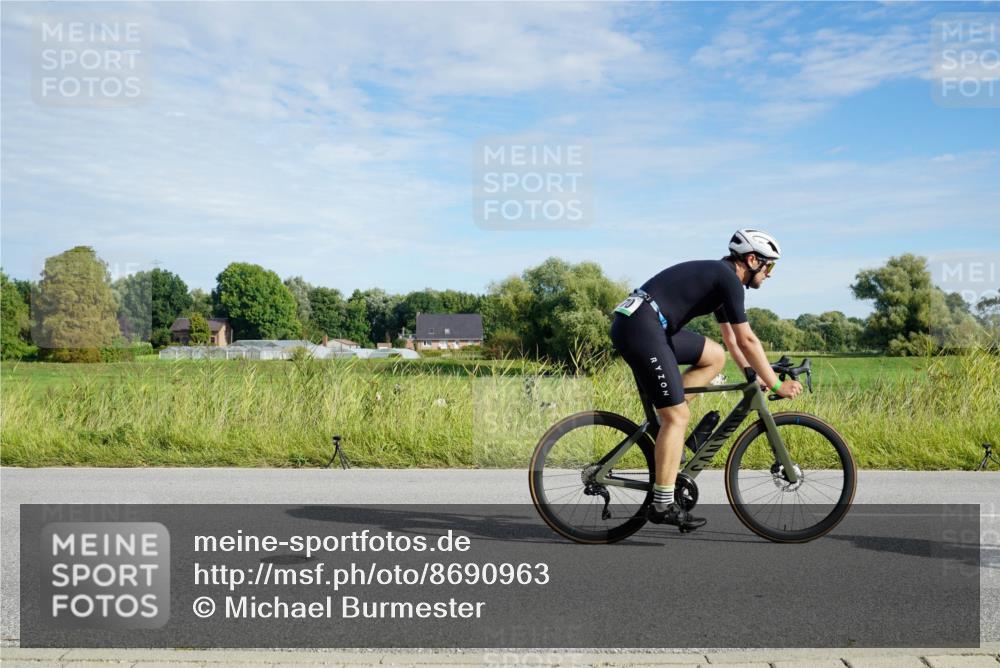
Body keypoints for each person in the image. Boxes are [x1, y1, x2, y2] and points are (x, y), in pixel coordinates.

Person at [609, 229, 803, 532]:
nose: (770, 274)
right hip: (641, 328)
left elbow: (732, 341)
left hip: (645, 324)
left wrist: (754, 374)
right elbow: (748, 339)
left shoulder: (722, 280)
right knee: (678, 417)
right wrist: (777, 384)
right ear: (752, 260)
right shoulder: (727, 279)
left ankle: (666, 422)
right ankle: (662, 504)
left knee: (714, 356)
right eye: (769, 265)